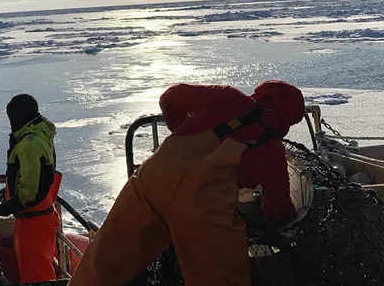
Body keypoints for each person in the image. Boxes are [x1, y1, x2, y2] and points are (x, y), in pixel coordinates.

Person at [68, 80, 306, 286]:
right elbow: (278, 207)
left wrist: (179, 129)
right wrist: (277, 226)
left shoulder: (227, 96)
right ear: (289, 120)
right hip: (202, 209)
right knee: (220, 279)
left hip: (153, 178)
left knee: (106, 258)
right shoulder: (273, 150)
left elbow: (170, 98)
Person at [0, 94, 63, 284]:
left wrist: (3, 208)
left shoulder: (30, 144)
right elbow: (30, 177)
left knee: (37, 276)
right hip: (37, 217)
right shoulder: (35, 133)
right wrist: (8, 194)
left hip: (34, 221)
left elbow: (30, 194)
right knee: (37, 268)